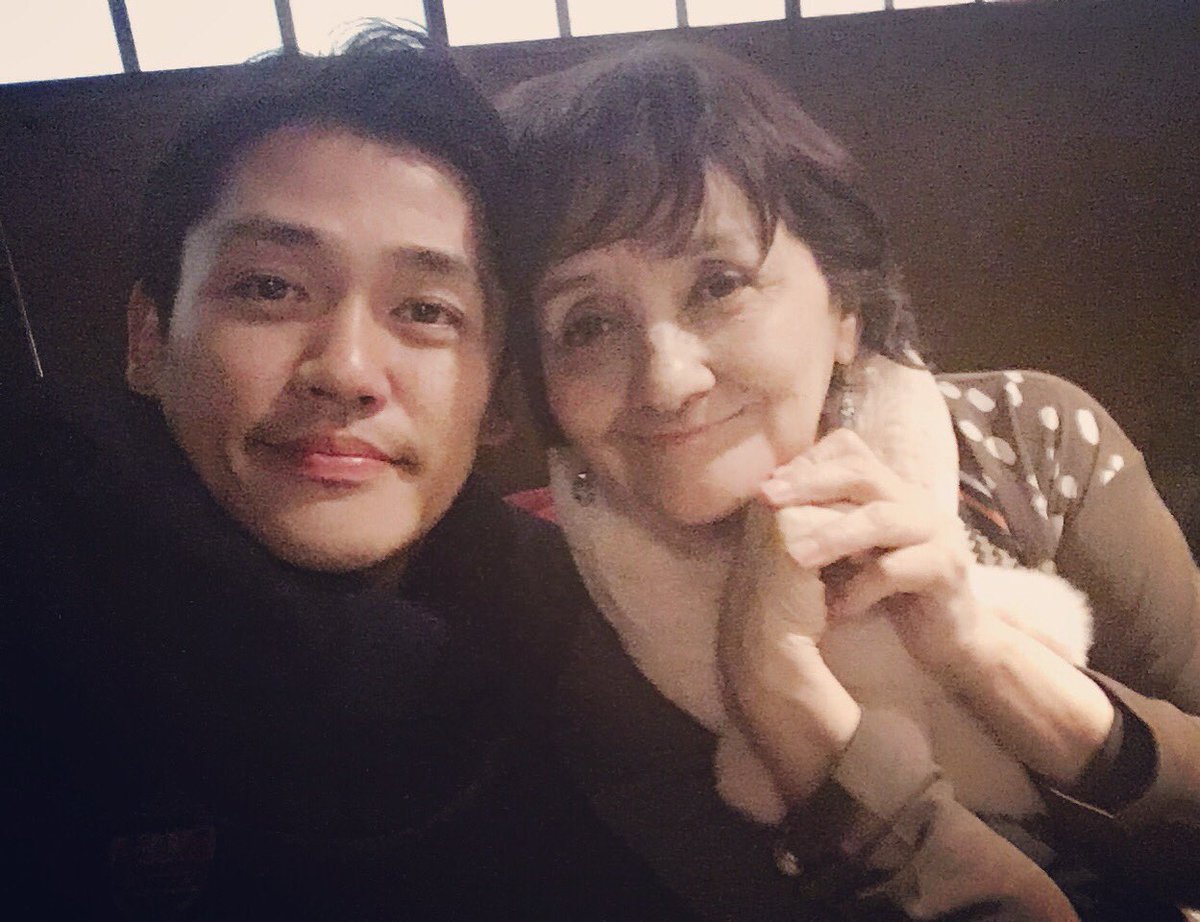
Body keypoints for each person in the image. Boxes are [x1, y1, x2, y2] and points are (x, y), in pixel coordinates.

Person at [500, 41, 1200, 921]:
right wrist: (780, 696)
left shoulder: (1030, 439)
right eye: (588, 324)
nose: (668, 380)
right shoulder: (554, 621)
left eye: (718, 284)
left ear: (844, 309)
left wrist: (975, 648)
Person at [0, 28, 688, 920]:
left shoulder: (597, 633)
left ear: (499, 395)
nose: (347, 370)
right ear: (147, 338)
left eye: (427, 309)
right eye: (270, 289)